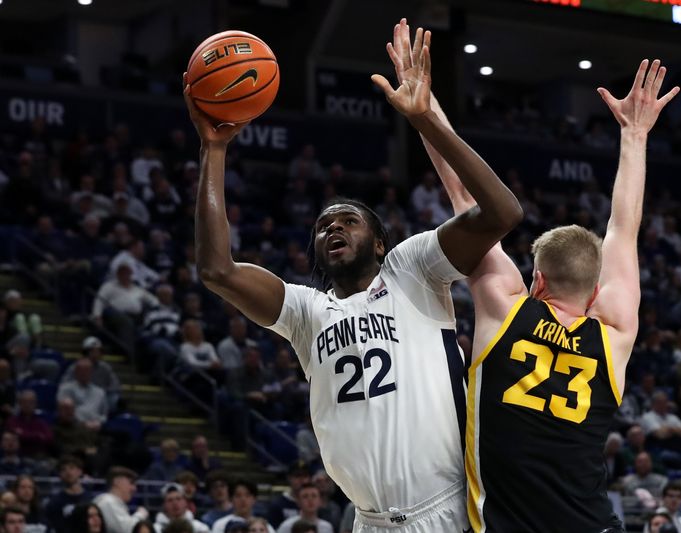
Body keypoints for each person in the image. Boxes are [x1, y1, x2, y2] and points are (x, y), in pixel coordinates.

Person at [185, 17, 522, 533]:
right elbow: (217, 270)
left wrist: (427, 121)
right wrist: (214, 149)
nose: (333, 228)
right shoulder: (306, 312)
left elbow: (501, 214)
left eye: (348, 220)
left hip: (447, 508)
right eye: (323, 226)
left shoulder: (412, 269)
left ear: (381, 242)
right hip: (367, 521)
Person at [424, 37, 678, 529]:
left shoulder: (505, 306)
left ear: (536, 279)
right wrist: (635, 133)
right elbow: (624, 229)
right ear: (597, 290)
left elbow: (462, 197)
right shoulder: (615, 331)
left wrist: (424, 106)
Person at [93, 466, 149, 533]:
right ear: (116, 481)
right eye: (131, 483)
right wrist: (140, 515)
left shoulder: (113, 502)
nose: (134, 488)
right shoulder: (108, 502)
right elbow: (126, 531)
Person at [45, 456, 93, 533]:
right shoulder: (54, 502)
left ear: (80, 471)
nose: (68, 472)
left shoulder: (91, 499)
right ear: (60, 475)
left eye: (72, 468)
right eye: (64, 469)